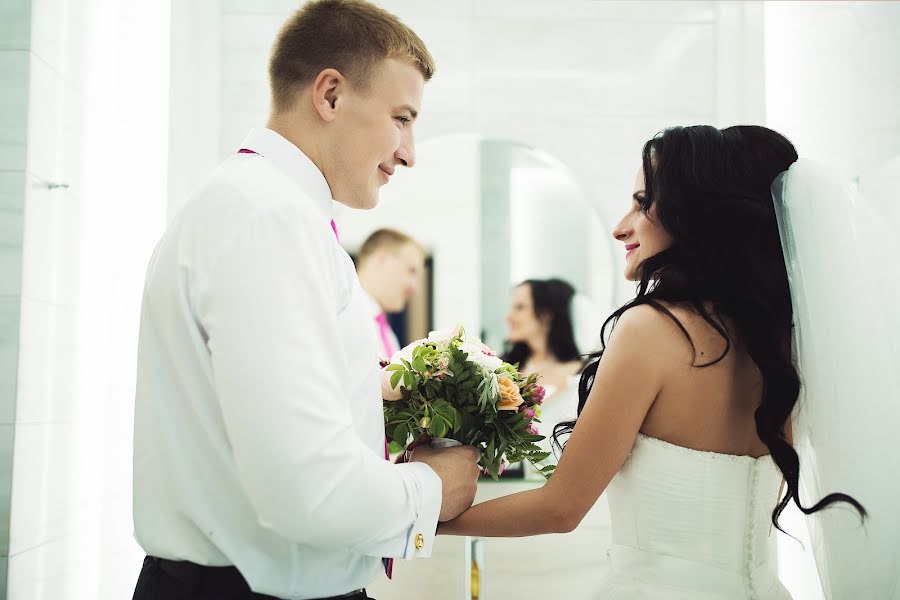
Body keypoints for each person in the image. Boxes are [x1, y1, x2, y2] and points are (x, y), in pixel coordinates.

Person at [131, 2, 480, 599]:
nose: (409, 151)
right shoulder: (268, 218)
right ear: (331, 95)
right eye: (401, 117)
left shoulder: (261, 207)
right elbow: (307, 490)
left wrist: (377, 388)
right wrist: (433, 487)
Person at [437, 125, 866, 599]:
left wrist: (420, 520)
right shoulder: (783, 345)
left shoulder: (652, 330)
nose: (622, 226)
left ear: (696, 215)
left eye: (643, 203)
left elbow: (560, 508)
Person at [502, 278, 583, 455]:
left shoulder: (580, 376)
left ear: (546, 314)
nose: (508, 317)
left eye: (520, 307)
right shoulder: (503, 370)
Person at [356, 228, 426, 359]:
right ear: (381, 259)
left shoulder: (388, 335)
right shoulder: (344, 316)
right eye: (411, 270)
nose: (415, 287)